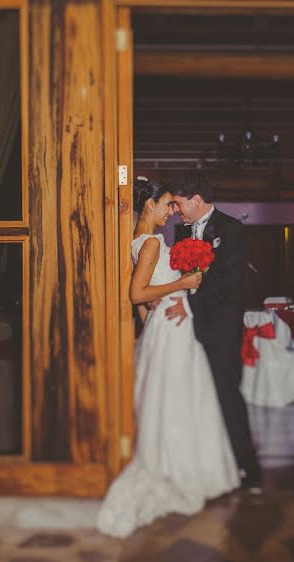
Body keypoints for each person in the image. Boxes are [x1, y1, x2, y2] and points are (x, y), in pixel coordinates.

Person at [96, 177, 239, 538]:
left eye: (175, 205)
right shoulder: (152, 245)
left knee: (173, 397)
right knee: (176, 398)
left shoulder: (143, 242)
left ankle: (180, 463)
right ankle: (177, 468)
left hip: (166, 326)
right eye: (167, 204)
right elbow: (137, 293)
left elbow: (145, 301)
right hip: (172, 330)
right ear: (149, 207)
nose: (172, 210)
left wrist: (150, 322)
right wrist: (183, 284)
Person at [166, 172, 263, 491]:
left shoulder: (231, 229)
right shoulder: (181, 232)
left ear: (196, 199)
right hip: (185, 324)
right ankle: (203, 462)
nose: (177, 210)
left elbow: (228, 282)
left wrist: (190, 305)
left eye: (179, 203)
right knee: (193, 393)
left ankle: (246, 466)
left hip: (220, 325)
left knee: (225, 392)